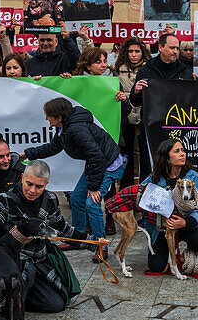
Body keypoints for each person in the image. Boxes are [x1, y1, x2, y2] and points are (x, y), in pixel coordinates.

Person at [0, 160, 87, 312]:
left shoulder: (50, 200)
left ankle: (21, 296)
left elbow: (62, 228)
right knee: (14, 304)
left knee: (55, 305)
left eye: (39, 186)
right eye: (29, 184)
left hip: (39, 260)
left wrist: (92, 242)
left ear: (46, 184)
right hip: (12, 262)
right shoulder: (6, 200)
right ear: (22, 177)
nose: (32, 190)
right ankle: (9, 300)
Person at [23, 97, 123, 247]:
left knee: (92, 203)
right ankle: (77, 239)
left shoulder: (77, 129)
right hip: (96, 164)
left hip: (109, 164)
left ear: (59, 117)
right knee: (76, 199)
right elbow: (53, 147)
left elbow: (97, 157)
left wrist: (94, 187)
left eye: (49, 115)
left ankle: (102, 246)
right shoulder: (64, 127)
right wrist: (26, 154)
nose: (46, 118)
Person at [140, 138, 198, 274]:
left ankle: (189, 254)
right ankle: (170, 250)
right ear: (166, 157)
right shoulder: (154, 178)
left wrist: (186, 222)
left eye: (183, 150)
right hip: (163, 229)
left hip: (187, 226)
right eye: (177, 151)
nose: (182, 154)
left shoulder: (193, 177)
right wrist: (158, 219)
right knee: (156, 266)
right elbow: (140, 196)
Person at [113, 37, 150, 182]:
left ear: (142, 52)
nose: (134, 54)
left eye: (137, 51)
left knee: (142, 153)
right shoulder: (117, 68)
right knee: (127, 153)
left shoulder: (150, 68)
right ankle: (127, 185)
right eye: (130, 51)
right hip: (126, 117)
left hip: (142, 116)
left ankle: (141, 183)